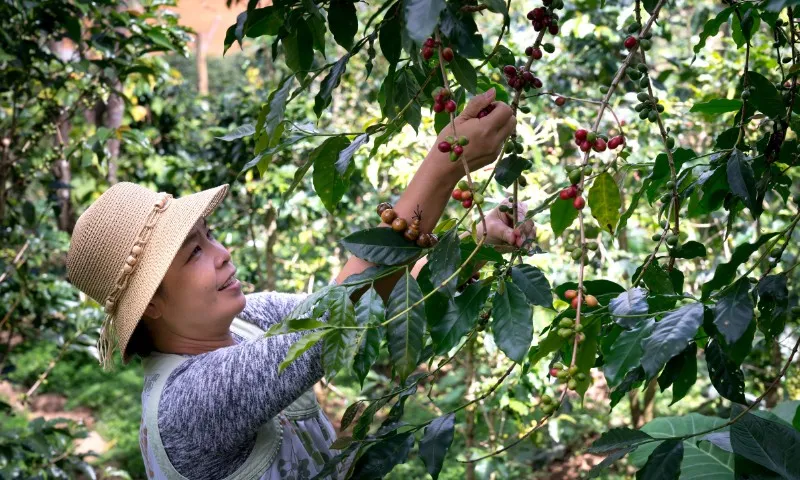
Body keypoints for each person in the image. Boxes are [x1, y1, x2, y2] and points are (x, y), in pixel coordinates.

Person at [65, 88, 534, 479]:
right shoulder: (187, 403)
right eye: (194, 253)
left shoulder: (248, 319)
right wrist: (444, 162)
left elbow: (368, 299)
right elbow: (332, 321)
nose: (222, 253)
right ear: (150, 306)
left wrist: (473, 241)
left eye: (209, 237)